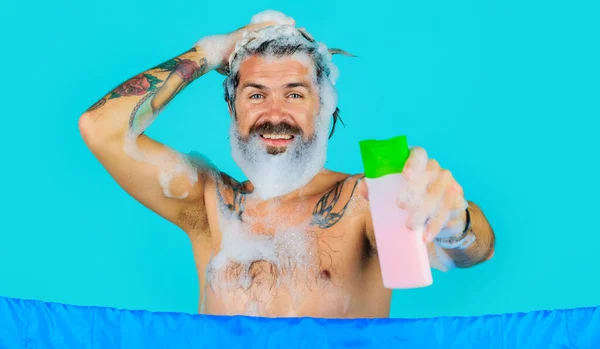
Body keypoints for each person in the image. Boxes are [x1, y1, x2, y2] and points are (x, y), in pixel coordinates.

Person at [78, 11, 495, 318]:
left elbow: (476, 251)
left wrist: (454, 222)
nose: (274, 113)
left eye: (294, 94)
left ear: (324, 108)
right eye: (256, 94)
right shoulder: (210, 203)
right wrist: (210, 52)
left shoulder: (366, 198)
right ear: (233, 108)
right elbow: (100, 128)